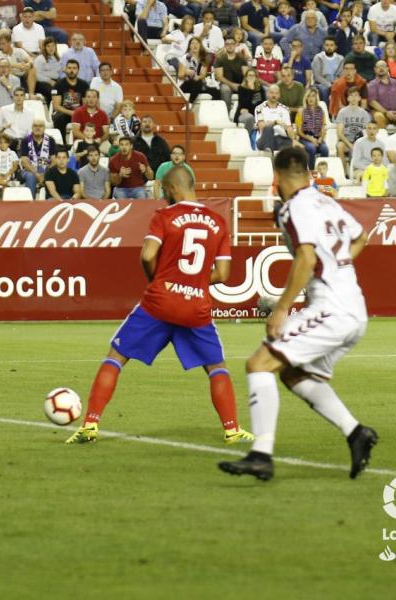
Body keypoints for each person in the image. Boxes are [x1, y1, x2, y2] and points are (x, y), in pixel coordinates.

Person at [218, 148, 377, 481]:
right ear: (308, 174)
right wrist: (337, 267)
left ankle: (261, 455)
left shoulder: (294, 207)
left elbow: (304, 258)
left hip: (332, 308)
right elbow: (361, 236)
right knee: (292, 374)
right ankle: (356, 433)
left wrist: (282, 307)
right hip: (353, 307)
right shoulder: (327, 201)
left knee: (258, 363)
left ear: (276, 179)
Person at [66, 165, 253, 446]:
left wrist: (159, 279)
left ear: (175, 188)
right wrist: (196, 282)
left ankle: (90, 424)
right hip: (195, 306)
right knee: (216, 366)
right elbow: (224, 274)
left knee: (115, 357)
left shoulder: (165, 216)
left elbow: (147, 254)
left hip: (160, 301)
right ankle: (232, 429)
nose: (165, 195)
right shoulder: (218, 221)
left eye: (166, 189)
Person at [51, 59, 89, 141]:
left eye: (74, 68)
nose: (72, 70)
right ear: (66, 69)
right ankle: (62, 143)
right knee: (59, 118)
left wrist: (78, 113)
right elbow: (56, 106)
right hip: (64, 113)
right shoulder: (58, 84)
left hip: (79, 113)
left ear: (78, 70)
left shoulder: (84, 84)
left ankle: (84, 141)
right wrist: (71, 113)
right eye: (69, 68)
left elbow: (86, 104)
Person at [254, 84, 297, 154]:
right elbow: (262, 127)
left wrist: (293, 139)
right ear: (267, 94)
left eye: (276, 93)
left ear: (279, 95)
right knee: (268, 128)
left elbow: (289, 128)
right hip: (263, 139)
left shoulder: (285, 109)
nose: (274, 95)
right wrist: (275, 122)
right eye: (272, 93)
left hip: (280, 139)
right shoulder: (259, 108)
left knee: (290, 143)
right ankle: (269, 156)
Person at [335, 87, 370, 172]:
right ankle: (344, 172)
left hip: (359, 140)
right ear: (348, 98)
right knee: (340, 146)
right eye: (351, 95)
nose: (354, 98)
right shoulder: (342, 112)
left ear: (359, 98)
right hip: (346, 141)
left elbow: (368, 131)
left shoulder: (364, 113)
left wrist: (357, 144)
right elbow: (340, 133)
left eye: (356, 95)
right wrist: (350, 145)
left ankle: (359, 169)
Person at [20, 119, 56, 198]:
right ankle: (31, 202)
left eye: (40, 126)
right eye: (35, 126)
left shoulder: (50, 140)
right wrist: (37, 174)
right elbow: (24, 161)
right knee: (30, 176)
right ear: (32, 128)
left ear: (44, 128)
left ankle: (48, 201)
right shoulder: (25, 141)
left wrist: (45, 173)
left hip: (45, 169)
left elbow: (54, 160)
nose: (38, 128)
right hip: (29, 170)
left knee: (43, 167)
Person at [179, 38, 221, 104]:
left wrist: (198, 77)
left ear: (200, 45)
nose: (195, 45)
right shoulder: (185, 58)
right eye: (192, 43)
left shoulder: (203, 58)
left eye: (197, 43)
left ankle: (213, 111)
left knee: (216, 91)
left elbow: (203, 75)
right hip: (186, 84)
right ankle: (189, 104)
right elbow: (180, 76)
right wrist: (187, 72)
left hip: (199, 84)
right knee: (197, 82)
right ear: (189, 46)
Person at [0, 32, 36, 96]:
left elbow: (30, 59)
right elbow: (4, 64)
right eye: (0, 44)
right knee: (6, 69)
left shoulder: (19, 51)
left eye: (3, 44)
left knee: (32, 68)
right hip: (9, 74)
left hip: (22, 74)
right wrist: (19, 66)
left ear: (10, 43)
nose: (1, 46)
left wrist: (28, 64)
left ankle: (31, 94)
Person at [295, 87, 327, 169]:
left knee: (324, 149)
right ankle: (312, 171)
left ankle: (322, 171)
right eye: (308, 96)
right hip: (305, 138)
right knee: (311, 148)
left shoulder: (321, 111)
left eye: (313, 96)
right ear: (306, 98)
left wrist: (320, 139)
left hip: (317, 137)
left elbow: (323, 128)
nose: (310, 98)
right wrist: (311, 139)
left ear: (316, 98)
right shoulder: (301, 111)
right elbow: (299, 132)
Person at [214, 36, 248, 113]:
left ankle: (243, 113)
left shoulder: (241, 58)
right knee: (225, 90)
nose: (230, 46)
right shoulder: (220, 59)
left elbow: (246, 74)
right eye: (227, 44)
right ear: (225, 46)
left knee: (247, 88)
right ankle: (226, 114)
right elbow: (219, 77)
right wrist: (232, 85)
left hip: (240, 83)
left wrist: (242, 84)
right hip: (225, 83)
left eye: (232, 43)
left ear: (235, 45)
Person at [311, 36, 343, 103]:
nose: (329, 47)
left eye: (331, 45)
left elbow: (341, 75)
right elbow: (317, 76)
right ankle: (326, 110)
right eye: (327, 45)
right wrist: (330, 85)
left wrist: (335, 84)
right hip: (321, 83)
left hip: (335, 82)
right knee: (324, 89)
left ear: (335, 47)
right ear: (323, 46)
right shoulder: (318, 58)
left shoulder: (340, 59)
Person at [367, 60, 396, 130]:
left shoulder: (395, 82)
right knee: (378, 116)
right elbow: (372, 101)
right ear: (375, 70)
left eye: (383, 66)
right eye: (378, 67)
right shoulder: (372, 84)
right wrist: (386, 112)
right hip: (381, 112)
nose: (381, 68)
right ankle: (382, 138)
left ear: (387, 68)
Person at [34, 37, 62, 105]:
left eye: (53, 45)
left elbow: (58, 73)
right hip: (42, 82)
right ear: (45, 47)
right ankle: (52, 110)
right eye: (48, 46)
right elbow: (36, 75)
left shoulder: (58, 59)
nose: (51, 48)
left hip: (55, 81)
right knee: (52, 92)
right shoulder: (40, 59)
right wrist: (49, 80)